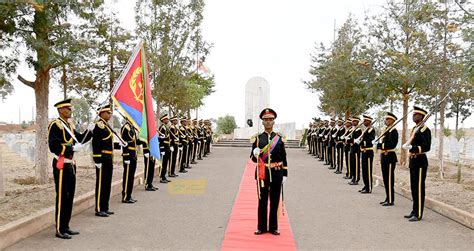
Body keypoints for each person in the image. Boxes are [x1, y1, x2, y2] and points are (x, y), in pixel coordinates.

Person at [48, 98, 93, 239]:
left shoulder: (70, 124)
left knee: (69, 196)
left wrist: (89, 132)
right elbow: (53, 146)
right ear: (61, 110)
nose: (70, 110)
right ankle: (59, 229)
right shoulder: (56, 125)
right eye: (68, 108)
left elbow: (79, 139)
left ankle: (66, 226)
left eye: (70, 108)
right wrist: (71, 148)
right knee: (62, 196)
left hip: (71, 165)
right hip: (61, 165)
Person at [251, 108, 288, 236]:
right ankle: (261, 227)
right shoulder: (257, 138)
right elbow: (252, 158)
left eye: (270, 119)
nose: (268, 122)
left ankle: (273, 227)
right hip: (262, 172)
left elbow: (284, 157)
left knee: (275, 200)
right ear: (262, 122)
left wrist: (285, 174)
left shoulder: (279, 138)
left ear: (273, 121)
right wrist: (255, 154)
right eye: (265, 120)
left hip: (277, 172)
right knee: (262, 201)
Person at [403, 106, 431, 222]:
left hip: (420, 160)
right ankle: (414, 210)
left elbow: (426, 146)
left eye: (416, 115)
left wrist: (413, 148)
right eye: (413, 114)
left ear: (421, 116)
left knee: (419, 188)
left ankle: (418, 213)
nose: (413, 116)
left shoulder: (425, 130)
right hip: (413, 161)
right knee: (414, 187)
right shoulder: (415, 128)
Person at [92, 104, 120, 217]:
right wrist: (97, 158)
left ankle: (105, 207)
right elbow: (96, 143)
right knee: (101, 183)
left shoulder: (106, 126)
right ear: (102, 113)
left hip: (109, 157)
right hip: (102, 157)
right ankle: (99, 208)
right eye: (108, 112)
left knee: (107, 183)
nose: (110, 114)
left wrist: (120, 145)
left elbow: (107, 142)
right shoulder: (99, 125)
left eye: (110, 112)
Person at [376, 112, 398, 206]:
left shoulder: (393, 131)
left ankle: (390, 200)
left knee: (389, 179)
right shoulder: (386, 130)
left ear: (392, 120)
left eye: (387, 119)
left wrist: (380, 145)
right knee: (385, 178)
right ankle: (387, 197)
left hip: (390, 157)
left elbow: (392, 144)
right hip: (384, 156)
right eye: (386, 119)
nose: (385, 121)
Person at [121, 118, 139, 203]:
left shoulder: (131, 127)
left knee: (131, 176)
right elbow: (124, 143)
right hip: (129, 155)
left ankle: (129, 195)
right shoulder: (126, 128)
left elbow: (135, 141)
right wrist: (126, 156)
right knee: (128, 176)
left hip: (133, 154)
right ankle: (125, 196)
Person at [358, 115, 375, 193]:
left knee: (368, 170)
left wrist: (361, 142)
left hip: (368, 152)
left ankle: (369, 188)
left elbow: (370, 140)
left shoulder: (371, 130)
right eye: (364, 121)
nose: (364, 122)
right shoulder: (364, 130)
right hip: (363, 151)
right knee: (364, 170)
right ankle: (366, 185)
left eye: (366, 121)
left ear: (369, 122)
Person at [158, 114, 171, 183]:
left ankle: (164, 176)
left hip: (167, 146)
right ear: (163, 120)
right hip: (164, 147)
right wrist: (162, 148)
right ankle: (161, 177)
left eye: (167, 119)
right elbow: (161, 139)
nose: (167, 120)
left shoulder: (166, 127)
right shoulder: (161, 128)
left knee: (166, 163)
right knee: (163, 163)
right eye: (166, 119)